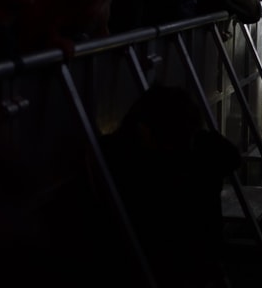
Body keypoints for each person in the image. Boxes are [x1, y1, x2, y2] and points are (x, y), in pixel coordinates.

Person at [102, 85, 242, 288]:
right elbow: (233, 158)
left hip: (163, 266)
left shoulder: (139, 167)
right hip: (202, 261)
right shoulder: (203, 153)